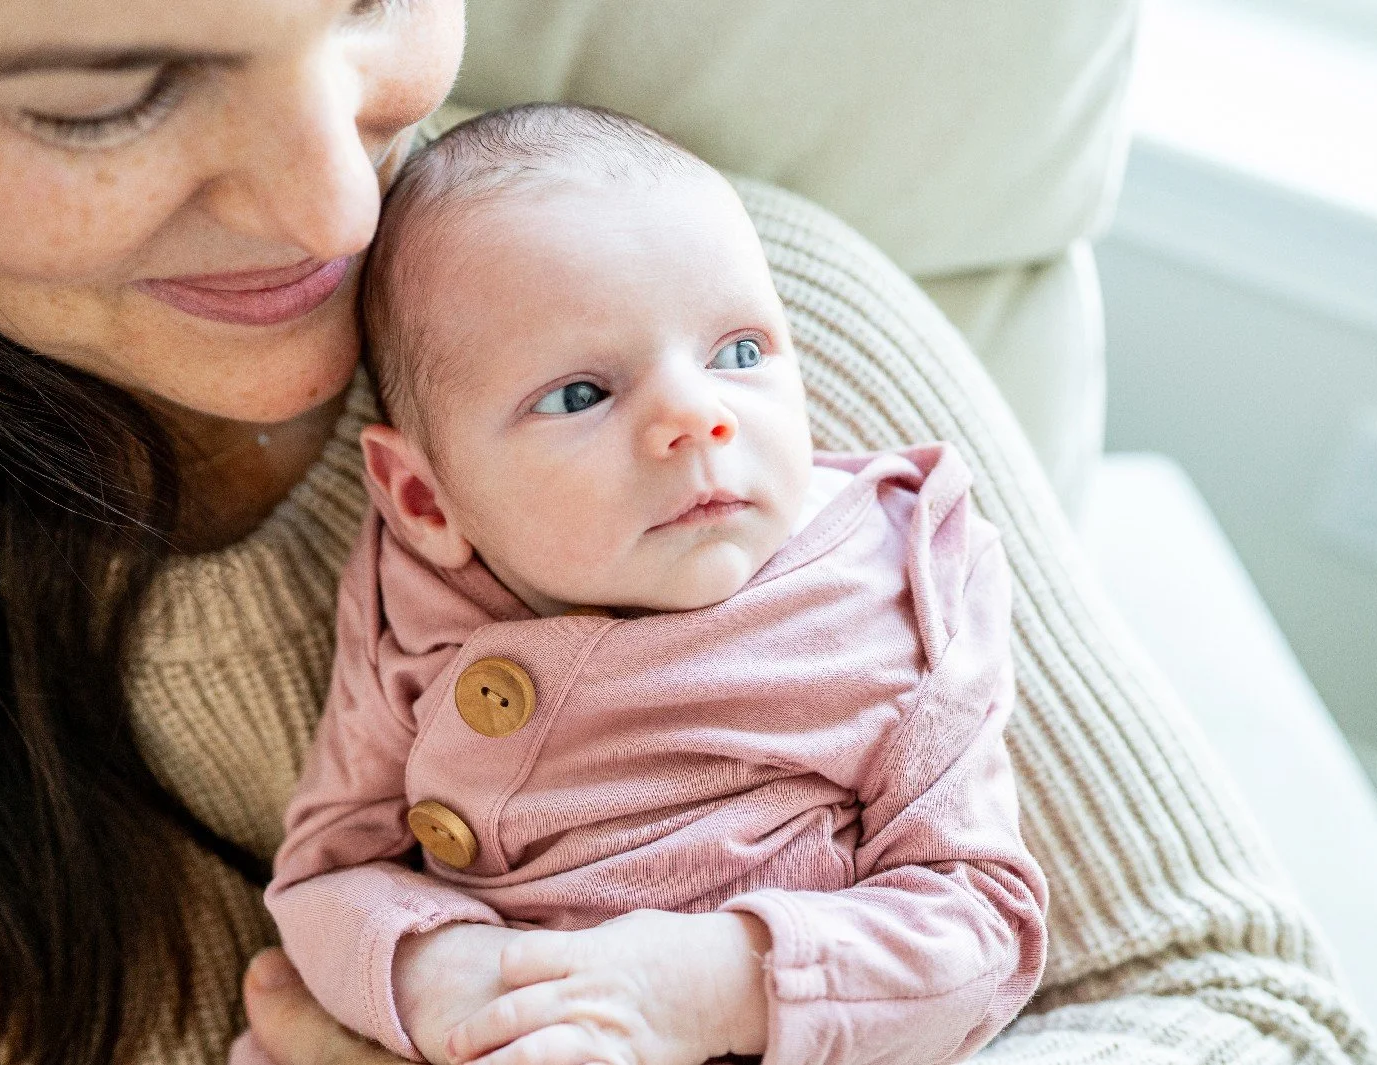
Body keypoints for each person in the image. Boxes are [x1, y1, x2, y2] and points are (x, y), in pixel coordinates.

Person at [0, 2, 1374, 1064]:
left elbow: (1259, 1019)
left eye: (369, 1)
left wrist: (716, 985)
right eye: (98, 100)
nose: (332, 203)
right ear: (415, 497)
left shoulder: (763, 327)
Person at [257, 104, 1047, 1065]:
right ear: (424, 498)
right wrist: (439, 977)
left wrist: (717, 985)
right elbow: (328, 873)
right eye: (582, 393)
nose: (699, 416)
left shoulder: (903, 572)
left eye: (740, 353)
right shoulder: (413, 592)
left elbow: (985, 921)